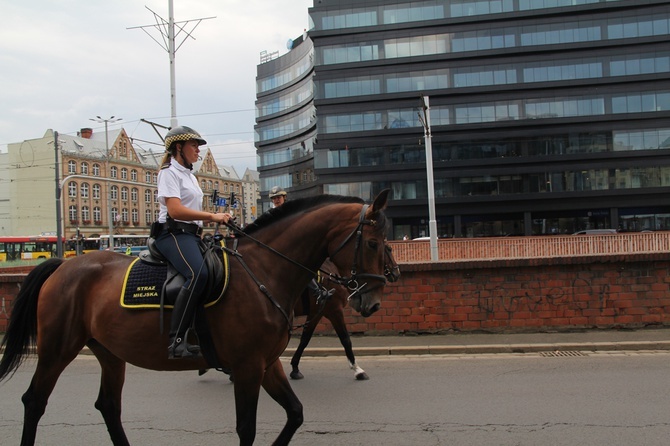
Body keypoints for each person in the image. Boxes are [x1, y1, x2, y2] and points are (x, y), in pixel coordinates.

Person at [154, 126, 232, 359]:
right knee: (198, 274)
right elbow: (176, 210)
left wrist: (222, 218)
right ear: (179, 148)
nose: (198, 150)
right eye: (194, 145)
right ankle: (176, 342)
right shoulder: (169, 173)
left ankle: (206, 340)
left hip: (191, 235)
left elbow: (192, 210)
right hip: (172, 234)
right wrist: (212, 216)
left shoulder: (190, 176)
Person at [267, 186, 329, 301]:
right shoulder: (270, 214)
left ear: (284, 197)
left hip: (293, 246)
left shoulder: (293, 211)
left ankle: (317, 292)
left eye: (278, 197)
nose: (276, 200)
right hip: (276, 248)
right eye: (274, 198)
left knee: (301, 265)